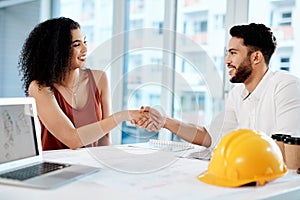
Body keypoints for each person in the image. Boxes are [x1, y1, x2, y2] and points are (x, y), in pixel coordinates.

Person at [136, 23, 300, 148]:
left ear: (256, 57)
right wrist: (164, 121)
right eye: (227, 53)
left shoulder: (285, 85)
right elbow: (209, 136)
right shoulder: (238, 94)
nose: (227, 61)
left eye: (233, 53)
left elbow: (286, 148)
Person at [18, 17, 150, 150]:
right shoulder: (39, 88)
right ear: (56, 51)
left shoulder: (100, 79)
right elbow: (73, 140)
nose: (85, 48)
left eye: (84, 42)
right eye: (76, 44)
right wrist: (122, 116)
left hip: (90, 164)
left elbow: (104, 140)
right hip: (55, 167)